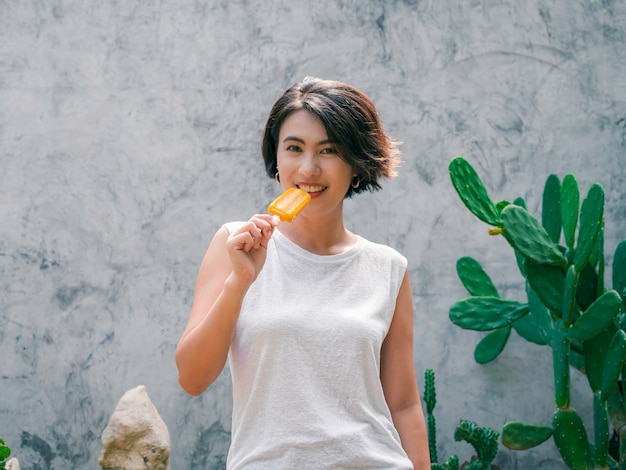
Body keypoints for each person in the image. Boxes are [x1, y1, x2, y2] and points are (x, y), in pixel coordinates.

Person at [175, 77, 431, 469]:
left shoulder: (388, 268)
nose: (308, 168)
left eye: (329, 151)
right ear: (276, 160)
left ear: (356, 167)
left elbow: (404, 403)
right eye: (294, 148)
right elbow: (192, 378)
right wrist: (240, 282)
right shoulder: (234, 245)